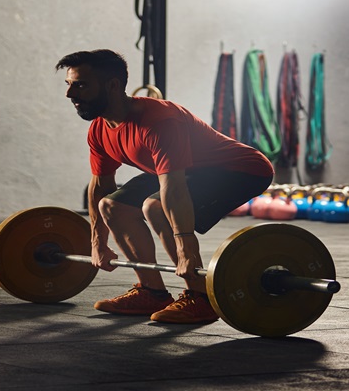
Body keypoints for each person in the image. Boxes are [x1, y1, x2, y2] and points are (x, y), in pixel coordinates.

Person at [57, 49, 274, 324]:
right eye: (69, 85)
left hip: (239, 170)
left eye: (80, 85)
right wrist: (98, 243)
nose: (70, 95)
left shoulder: (160, 122)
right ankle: (152, 292)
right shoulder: (100, 129)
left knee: (156, 206)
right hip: (186, 169)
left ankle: (201, 297)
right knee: (112, 206)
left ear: (112, 85)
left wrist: (187, 251)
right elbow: (100, 187)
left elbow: (174, 190)